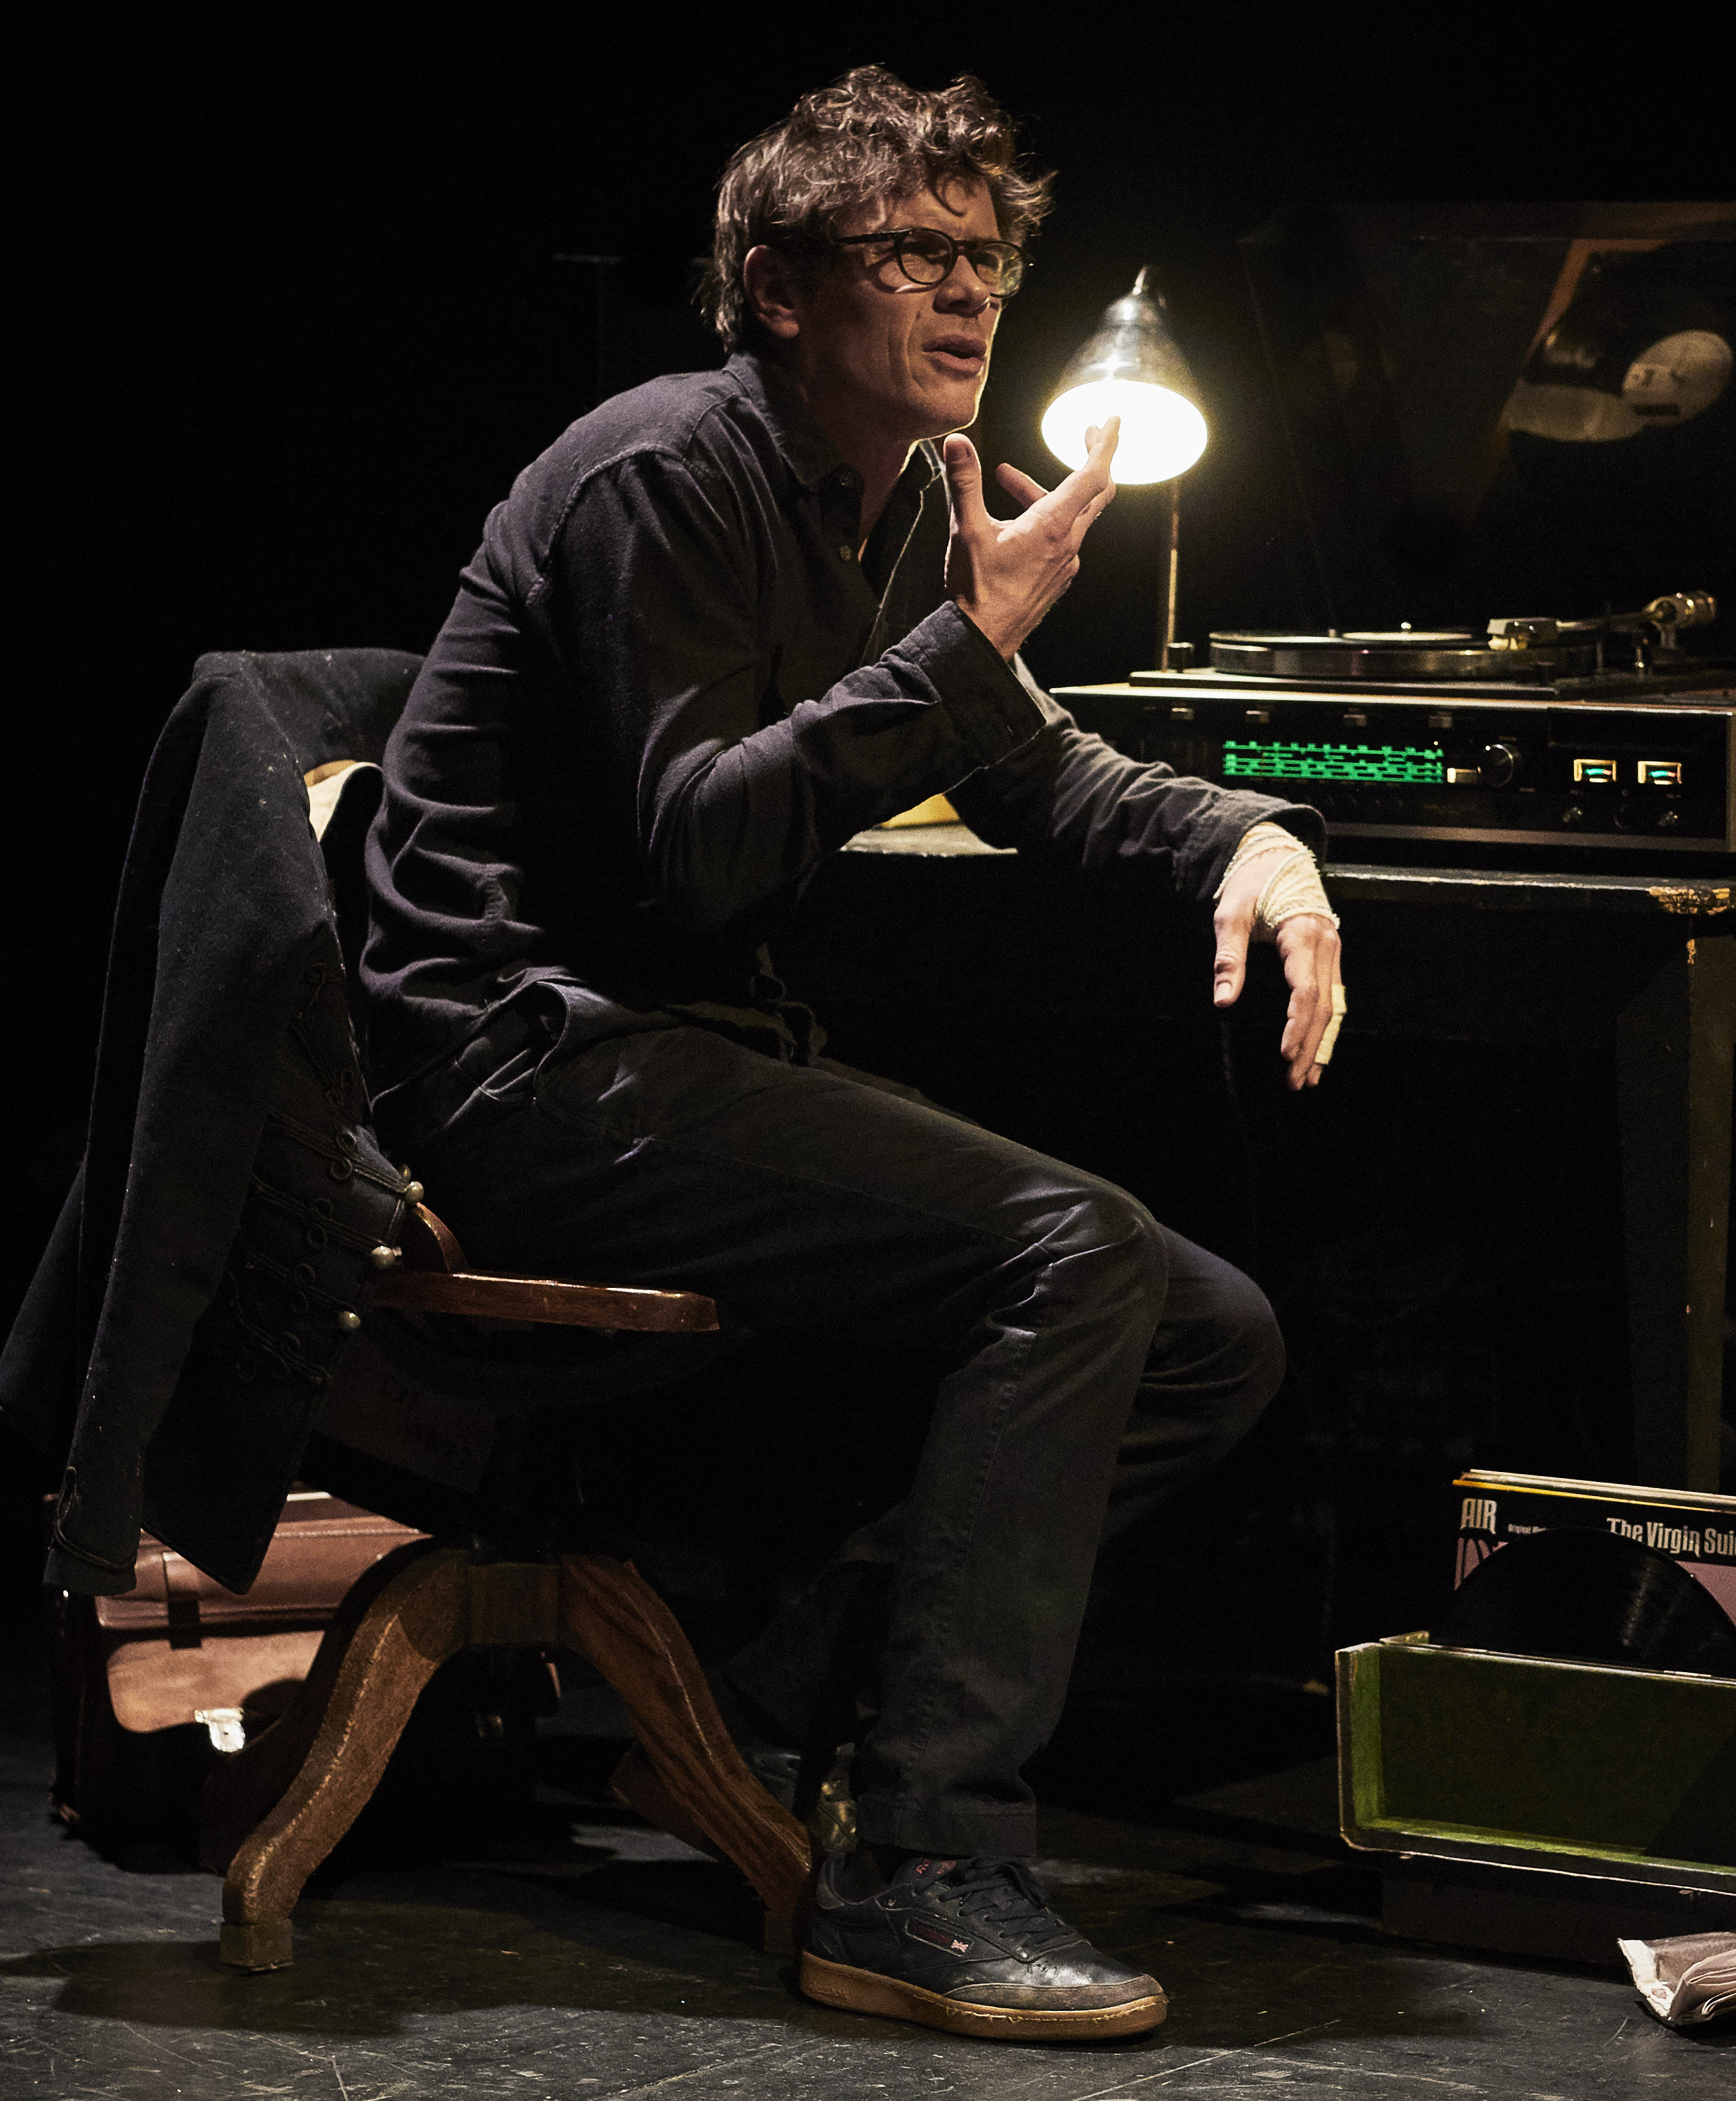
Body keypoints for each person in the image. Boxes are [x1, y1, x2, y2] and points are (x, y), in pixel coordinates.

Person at [357, 67, 1344, 2041]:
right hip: (523, 1069)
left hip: (681, 1053)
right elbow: (701, 843)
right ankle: (919, 1871)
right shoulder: (664, 471)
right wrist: (960, 650)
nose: (967, 294)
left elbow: (1029, 769)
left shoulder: (895, 498)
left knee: (1206, 1332)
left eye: (985, 258)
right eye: (911, 255)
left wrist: (1246, 838)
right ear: (781, 288)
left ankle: (746, 1719)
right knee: (1075, 1249)